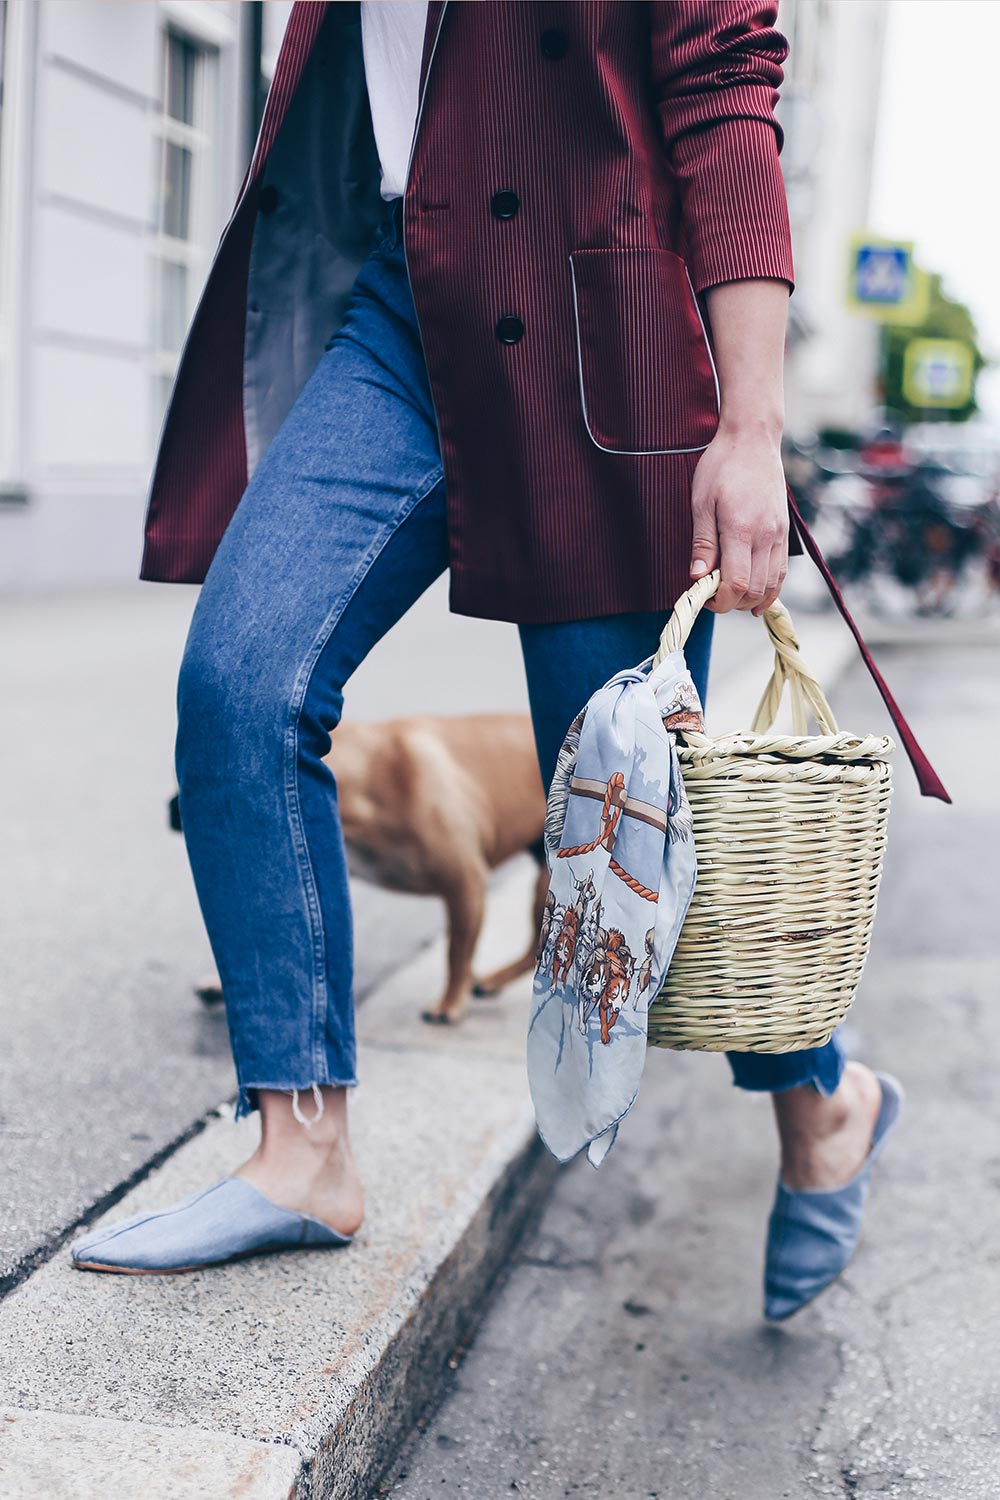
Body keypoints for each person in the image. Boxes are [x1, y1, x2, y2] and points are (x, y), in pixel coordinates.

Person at [70, 1, 902, 1319]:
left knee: (618, 846)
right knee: (240, 680)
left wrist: (750, 426)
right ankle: (302, 1149)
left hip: (588, 326)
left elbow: (727, 84)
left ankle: (822, 1096)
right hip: (407, 302)